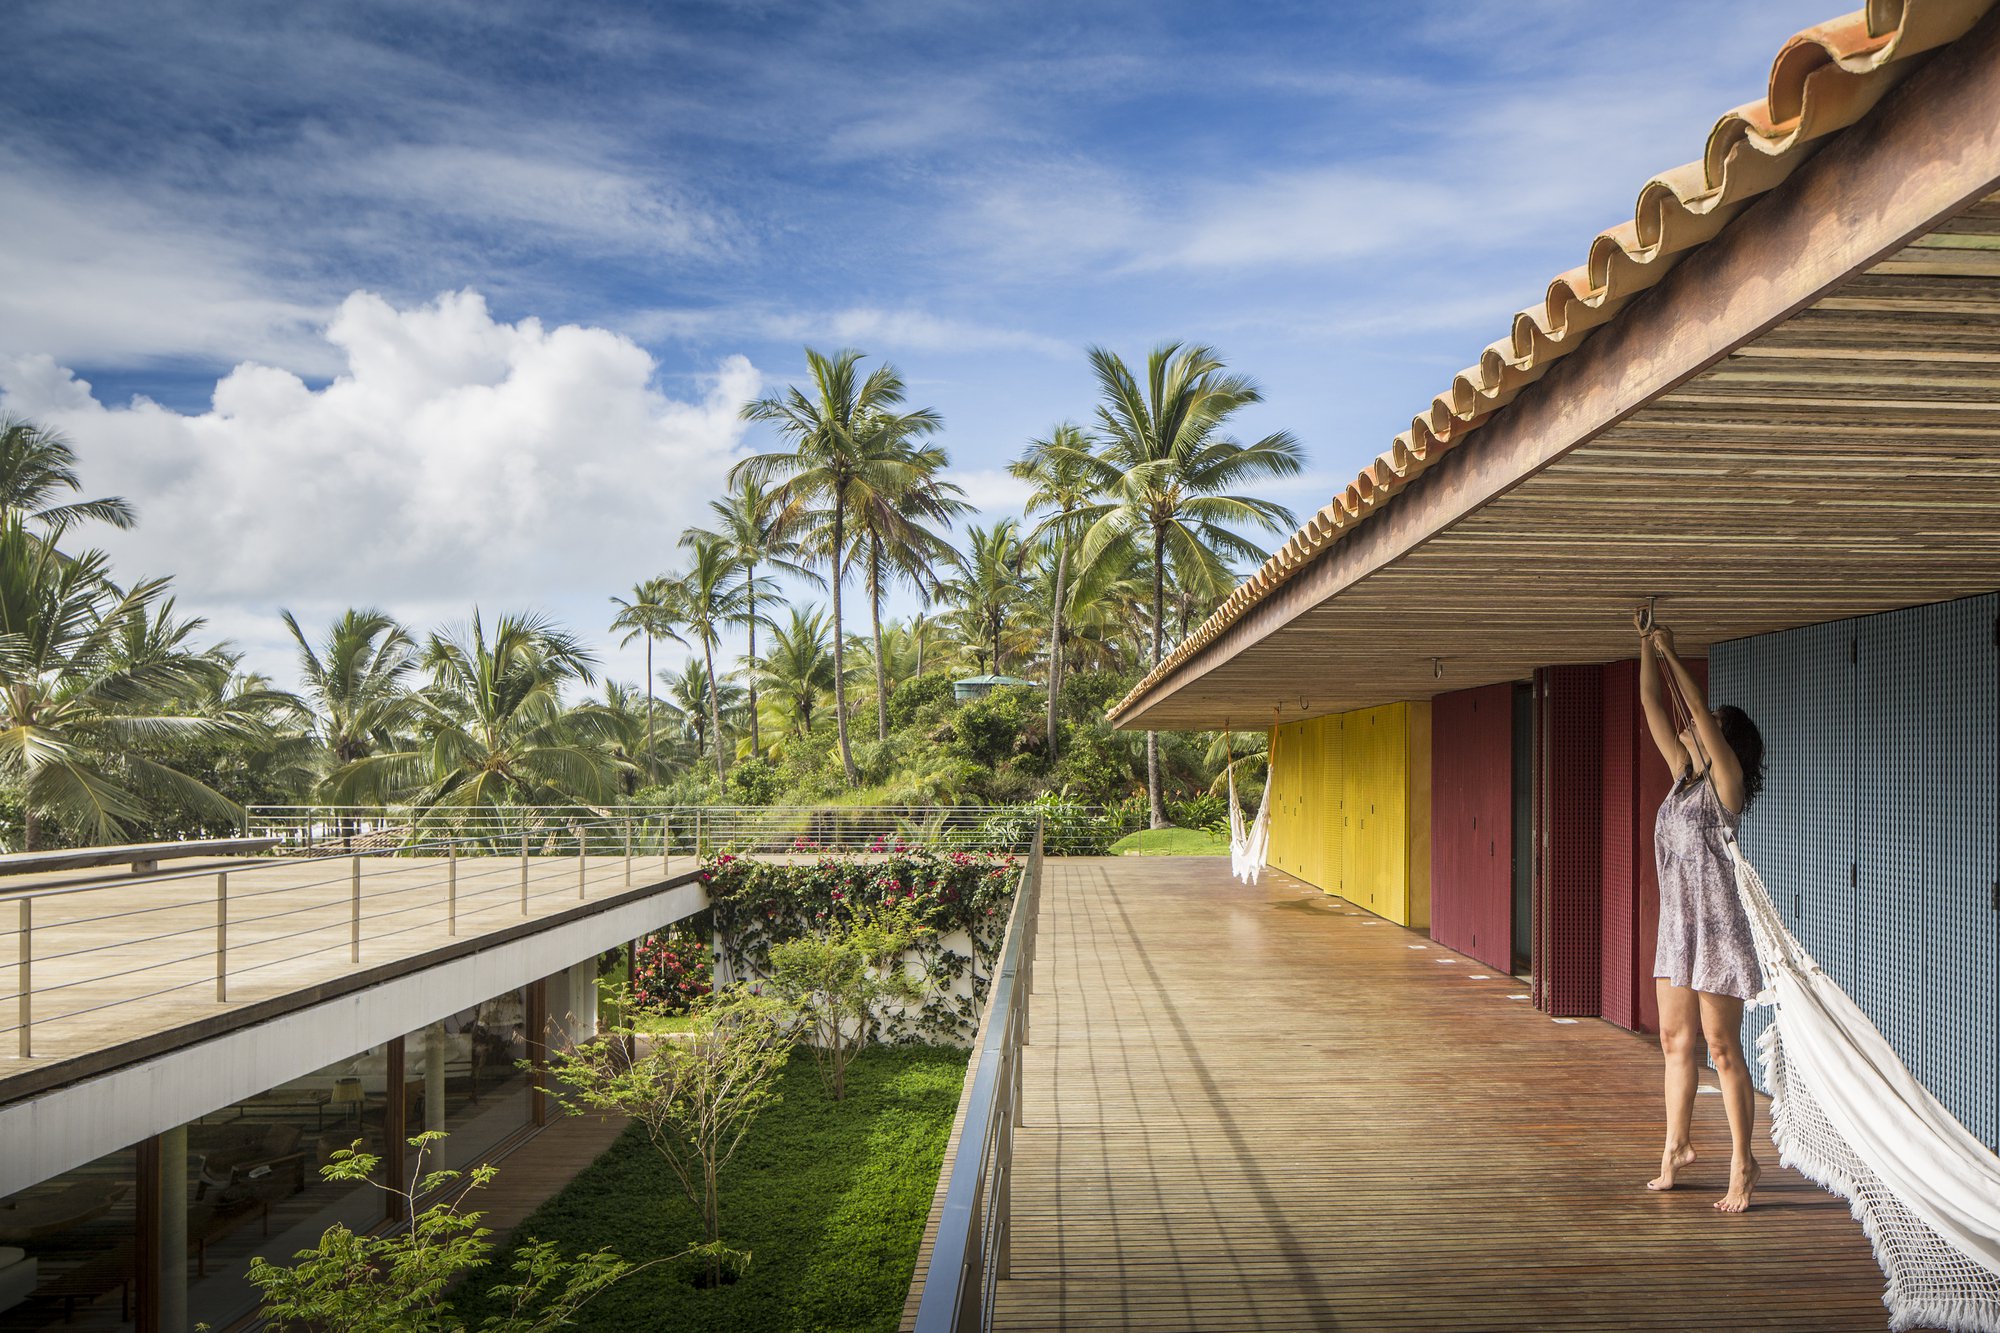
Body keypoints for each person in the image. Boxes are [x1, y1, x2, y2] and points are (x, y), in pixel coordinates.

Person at [1635, 617, 1768, 1213]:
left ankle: (1744, 1165)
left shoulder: (1726, 787)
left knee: (1722, 1049)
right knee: (1673, 1041)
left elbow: (1695, 714)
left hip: (1717, 930)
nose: (1688, 729)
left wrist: (1672, 649)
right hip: (1677, 932)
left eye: (1704, 728)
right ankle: (1676, 1149)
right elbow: (1650, 703)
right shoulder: (1680, 783)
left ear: (1721, 743)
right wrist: (1645, 644)